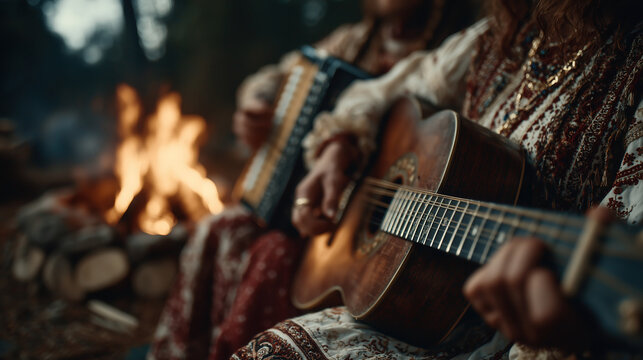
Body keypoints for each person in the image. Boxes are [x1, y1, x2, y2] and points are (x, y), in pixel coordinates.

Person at [231, 0, 643, 359]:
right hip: (421, 305)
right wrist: (336, 150)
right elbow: (375, 94)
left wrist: (571, 336)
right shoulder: (494, 39)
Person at [148, 1, 479, 359]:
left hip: (373, 231)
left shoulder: (458, 45)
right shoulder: (351, 40)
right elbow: (275, 76)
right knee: (217, 228)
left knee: (272, 255)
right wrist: (257, 102)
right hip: (317, 199)